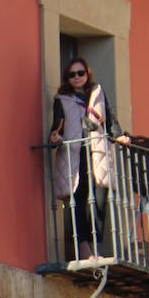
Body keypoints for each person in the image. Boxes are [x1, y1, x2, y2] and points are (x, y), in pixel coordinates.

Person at [49, 57, 130, 260]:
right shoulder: (62, 99)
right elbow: (56, 125)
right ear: (67, 78)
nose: (77, 77)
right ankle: (84, 250)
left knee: (98, 202)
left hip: (97, 154)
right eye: (72, 74)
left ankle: (94, 248)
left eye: (80, 73)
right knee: (78, 201)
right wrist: (54, 137)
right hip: (75, 156)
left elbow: (110, 119)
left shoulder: (97, 95)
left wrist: (118, 135)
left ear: (87, 75)